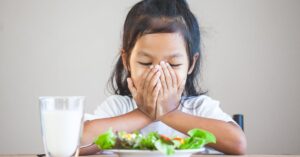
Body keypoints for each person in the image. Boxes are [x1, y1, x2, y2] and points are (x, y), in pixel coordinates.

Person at [81, 0, 246, 155]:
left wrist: (169, 113)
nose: (159, 74)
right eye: (146, 63)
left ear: (191, 64)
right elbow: (77, 142)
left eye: (173, 65)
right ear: (127, 61)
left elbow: (238, 144)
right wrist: (144, 112)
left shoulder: (199, 108)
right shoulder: (118, 108)